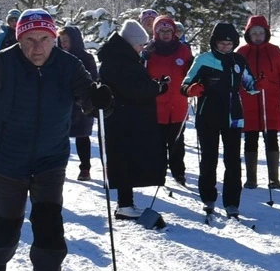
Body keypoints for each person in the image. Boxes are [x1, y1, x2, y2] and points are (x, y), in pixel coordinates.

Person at [0, 10, 110, 271]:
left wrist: (99, 99)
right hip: (6, 159)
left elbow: (88, 96)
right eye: (29, 40)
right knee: (5, 222)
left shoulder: (69, 65)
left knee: (49, 226)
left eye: (45, 39)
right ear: (20, 40)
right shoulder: (2, 61)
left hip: (50, 160)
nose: (37, 47)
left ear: (54, 39)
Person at [183, 22, 255, 220]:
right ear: (214, 42)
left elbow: (250, 83)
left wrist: (260, 84)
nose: (225, 47)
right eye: (221, 43)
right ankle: (208, 197)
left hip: (233, 115)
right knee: (209, 158)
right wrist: (191, 89)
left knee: (233, 161)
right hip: (208, 114)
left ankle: (232, 203)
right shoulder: (204, 59)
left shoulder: (239, 60)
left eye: (229, 43)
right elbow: (186, 83)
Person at [98, 19, 166, 218]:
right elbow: (133, 89)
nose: (142, 48)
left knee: (126, 161)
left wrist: (154, 85)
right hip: (124, 119)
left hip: (125, 117)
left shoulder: (120, 57)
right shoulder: (119, 60)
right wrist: (157, 87)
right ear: (130, 42)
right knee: (125, 161)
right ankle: (124, 205)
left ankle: (126, 203)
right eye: (140, 44)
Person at [238, 14, 280, 190]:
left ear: (266, 33)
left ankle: (274, 178)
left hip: (271, 102)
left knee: (271, 138)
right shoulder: (241, 53)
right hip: (248, 102)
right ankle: (251, 178)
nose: (257, 36)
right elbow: (234, 77)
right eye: (254, 32)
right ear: (248, 33)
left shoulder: (275, 52)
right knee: (250, 138)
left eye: (260, 32)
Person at [145, 16, 194, 186]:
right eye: (162, 31)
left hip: (178, 103)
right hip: (157, 104)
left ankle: (178, 172)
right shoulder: (149, 50)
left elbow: (191, 73)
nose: (166, 34)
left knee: (177, 142)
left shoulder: (183, 49)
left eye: (169, 31)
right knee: (157, 142)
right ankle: (158, 172)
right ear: (156, 32)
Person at [61, 25, 100, 181]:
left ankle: (85, 168)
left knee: (82, 136)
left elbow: (93, 78)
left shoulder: (86, 57)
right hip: (63, 102)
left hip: (82, 104)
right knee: (60, 137)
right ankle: (59, 166)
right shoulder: (58, 57)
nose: (63, 44)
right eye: (61, 41)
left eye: (66, 40)